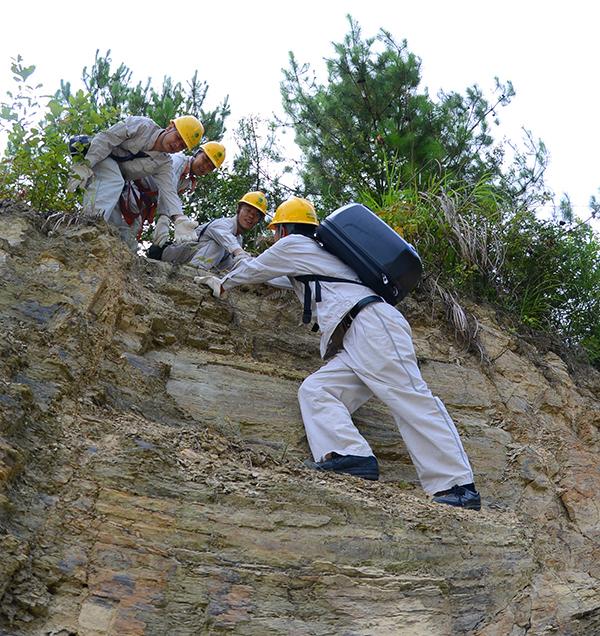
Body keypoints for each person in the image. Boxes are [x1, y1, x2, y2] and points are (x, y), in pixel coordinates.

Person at [195, 196, 481, 510]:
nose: (275, 237)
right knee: (318, 390)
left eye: (276, 230)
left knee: (411, 398)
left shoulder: (294, 247)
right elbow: (273, 276)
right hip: (358, 335)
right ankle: (350, 455)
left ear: (284, 229)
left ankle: (457, 486)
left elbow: (254, 268)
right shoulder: (312, 256)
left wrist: (223, 284)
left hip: (370, 326)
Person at [67, 115, 204, 250]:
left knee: (116, 227)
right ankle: (87, 226)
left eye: (182, 145)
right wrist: (85, 165)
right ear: (170, 127)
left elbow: (169, 191)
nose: (177, 144)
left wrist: (179, 218)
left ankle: (104, 247)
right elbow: (106, 139)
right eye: (178, 137)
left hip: (116, 182)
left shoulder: (164, 163)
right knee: (114, 181)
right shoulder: (142, 125)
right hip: (94, 153)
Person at [121, 141, 226, 248]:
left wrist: (165, 217)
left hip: (144, 202)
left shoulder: (187, 181)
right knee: (123, 229)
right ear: (197, 153)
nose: (204, 167)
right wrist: (165, 219)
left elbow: (171, 199)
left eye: (210, 167)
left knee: (131, 234)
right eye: (205, 160)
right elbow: (167, 188)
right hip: (133, 189)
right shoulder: (178, 161)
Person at [153, 191, 268, 272]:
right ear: (238, 209)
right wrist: (240, 253)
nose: (251, 216)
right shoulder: (224, 224)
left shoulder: (238, 239)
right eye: (248, 210)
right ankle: (192, 271)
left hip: (195, 258)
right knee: (219, 245)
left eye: (256, 215)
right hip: (172, 254)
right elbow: (223, 236)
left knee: (231, 261)